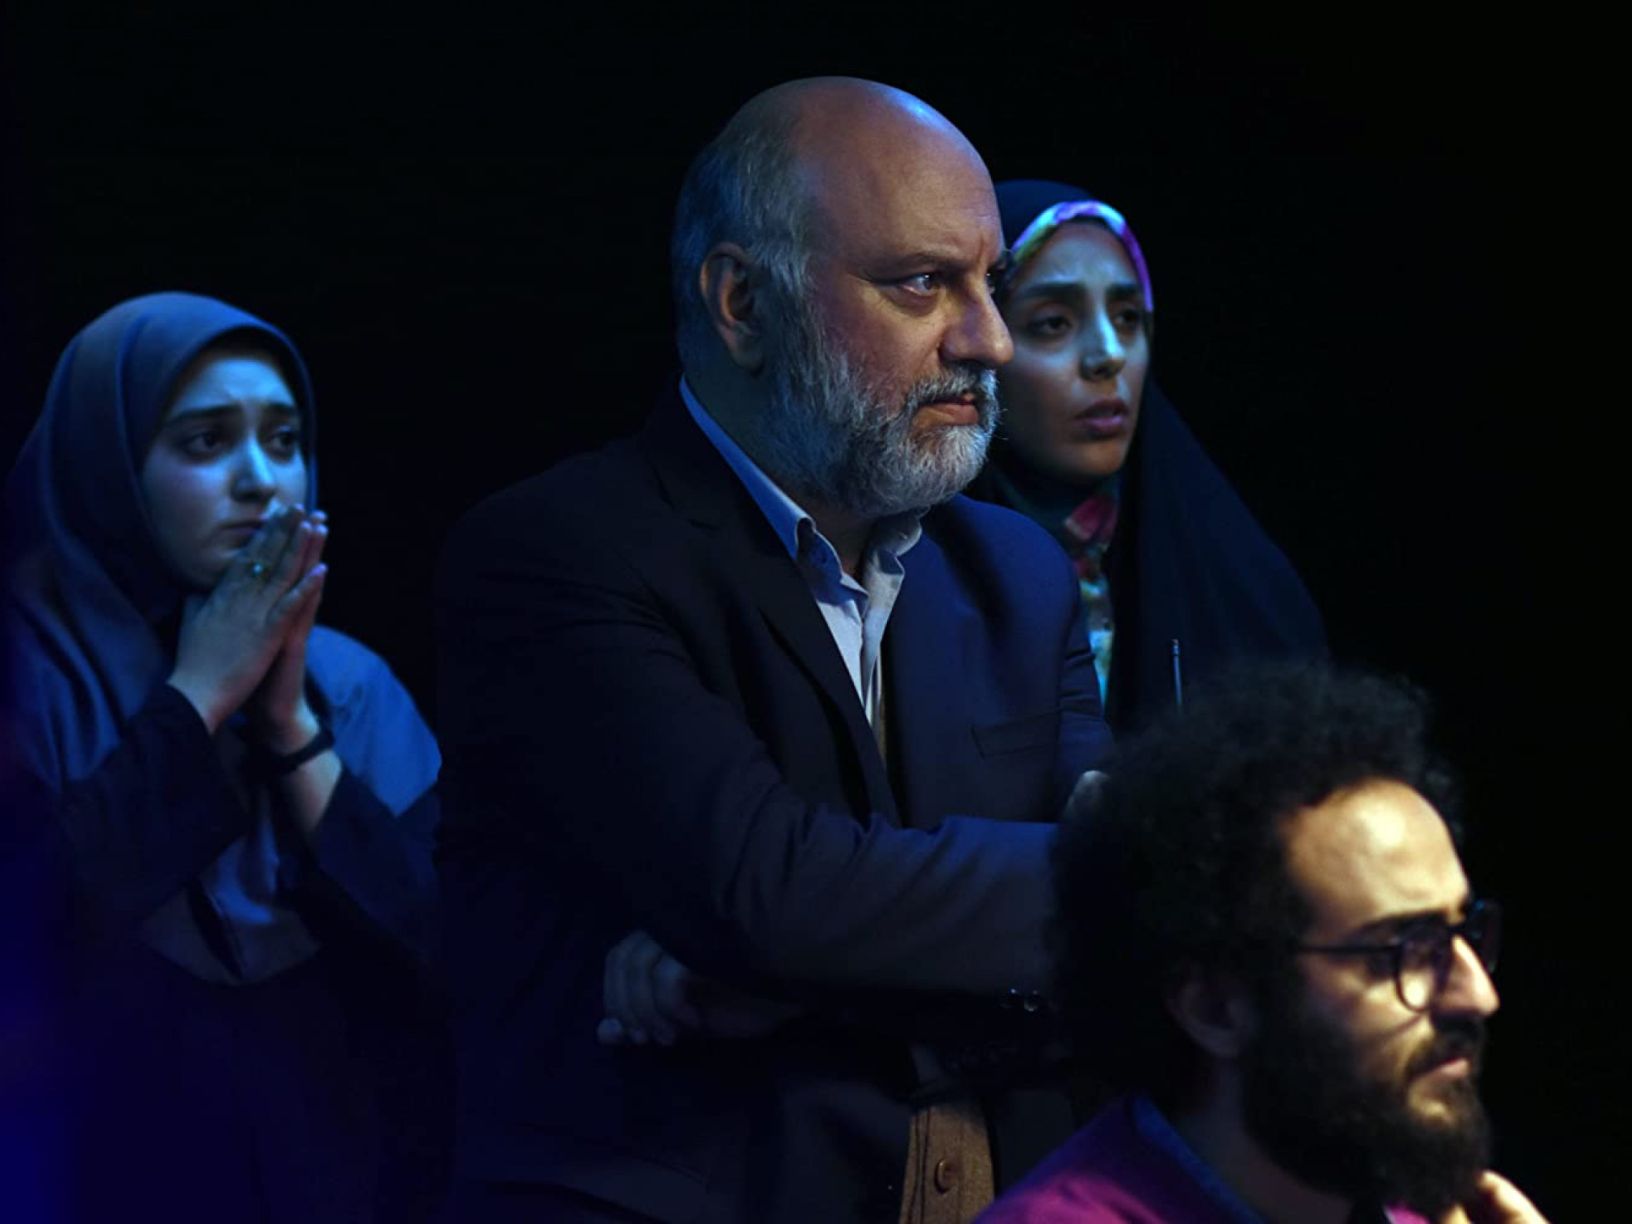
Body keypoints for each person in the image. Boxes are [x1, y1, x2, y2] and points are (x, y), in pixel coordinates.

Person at [435, 79, 1110, 1222]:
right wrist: (797, 941)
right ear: (744, 302)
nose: (989, 340)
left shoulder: (1019, 572)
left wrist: (782, 982)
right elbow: (770, 891)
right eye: (921, 284)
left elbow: (1136, 910)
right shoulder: (556, 554)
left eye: (989, 286)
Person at [3, 292, 448, 1222]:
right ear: (107, 463)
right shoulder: (25, 681)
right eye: (206, 442)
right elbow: (39, 936)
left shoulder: (349, 683)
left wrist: (288, 725)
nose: (262, 481)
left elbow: (448, 958)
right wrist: (200, 694)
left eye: (284, 440)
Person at [980, 664, 1547, 1223]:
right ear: (1216, 1007)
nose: (1479, 995)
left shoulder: (1393, 1201)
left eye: (1464, 932)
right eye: (1405, 951)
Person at [969, 181, 1326, 733]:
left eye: (1129, 318)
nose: (1108, 355)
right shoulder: (899, 574)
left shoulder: (1243, 587)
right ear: (982, 347)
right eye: (1053, 323)